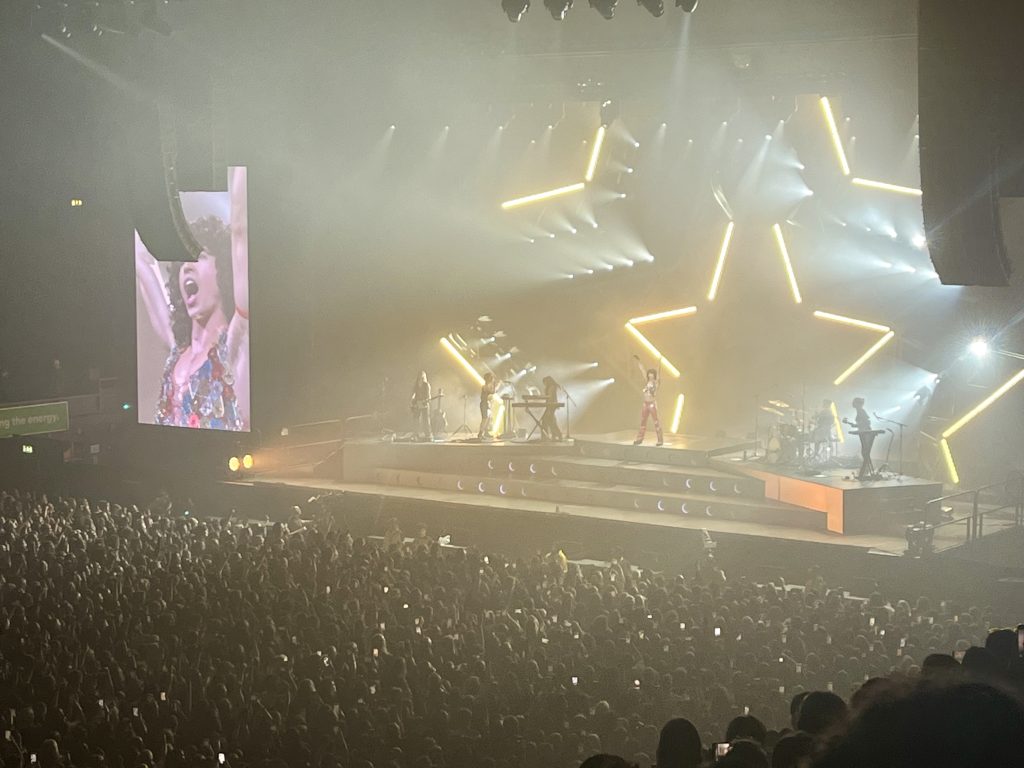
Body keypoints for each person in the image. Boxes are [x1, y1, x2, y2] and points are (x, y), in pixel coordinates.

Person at [136, 167, 250, 430]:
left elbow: (241, 230)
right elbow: (142, 263)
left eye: (199, 257)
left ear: (223, 269)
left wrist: (239, 170)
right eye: (184, 262)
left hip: (225, 455)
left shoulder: (233, 344)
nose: (187, 266)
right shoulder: (178, 352)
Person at [632, 356, 663, 446]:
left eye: (651, 374)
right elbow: (643, 371)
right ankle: (639, 439)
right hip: (645, 403)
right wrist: (639, 361)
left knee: (656, 422)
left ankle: (660, 440)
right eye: (649, 374)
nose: (650, 375)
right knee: (643, 421)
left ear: (654, 375)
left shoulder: (656, 383)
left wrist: (659, 363)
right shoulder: (647, 381)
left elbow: (659, 373)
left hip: (652, 404)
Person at [849, 397, 874, 480]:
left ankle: (865, 470)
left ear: (858, 404)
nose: (853, 404)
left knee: (865, 451)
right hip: (863, 432)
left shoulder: (861, 411)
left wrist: (857, 425)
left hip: (866, 432)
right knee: (865, 451)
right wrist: (855, 425)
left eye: (855, 403)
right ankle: (866, 470)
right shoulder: (859, 411)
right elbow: (862, 423)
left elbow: (867, 422)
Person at [411, 371, 433, 441]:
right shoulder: (416, 385)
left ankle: (428, 435)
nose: (420, 378)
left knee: (426, 420)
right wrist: (412, 400)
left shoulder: (426, 385)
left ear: (424, 377)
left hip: (424, 404)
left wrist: (425, 401)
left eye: (422, 376)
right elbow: (414, 393)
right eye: (419, 376)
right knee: (416, 419)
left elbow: (428, 396)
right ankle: (415, 434)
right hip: (417, 404)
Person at [540, 375, 563, 441]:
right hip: (550, 405)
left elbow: (551, 398)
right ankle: (554, 435)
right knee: (550, 421)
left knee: (548, 421)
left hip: (551, 405)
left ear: (548, 381)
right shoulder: (550, 387)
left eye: (545, 382)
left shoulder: (552, 387)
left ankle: (555, 435)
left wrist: (549, 409)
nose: (544, 384)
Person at [478, 372, 498, 440]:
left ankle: (486, 432)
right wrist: (496, 385)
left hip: (487, 404)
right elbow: (492, 391)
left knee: (489, 419)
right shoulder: (485, 386)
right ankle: (480, 434)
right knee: (484, 419)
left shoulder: (489, 385)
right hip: (484, 404)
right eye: (492, 378)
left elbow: (493, 392)